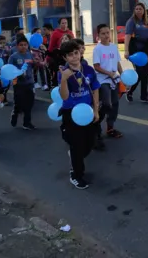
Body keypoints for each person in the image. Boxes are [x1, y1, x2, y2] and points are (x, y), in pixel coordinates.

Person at [58, 40, 100, 190]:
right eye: (70, 55)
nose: (75, 57)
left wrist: (95, 110)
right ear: (65, 58)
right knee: (76, 145)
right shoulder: (64, 73)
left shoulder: (88, 70)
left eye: (76, 53)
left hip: (87, 112)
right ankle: (76, 175)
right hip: (71, 113)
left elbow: (95, 89)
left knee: (89, 143)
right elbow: (64, 96)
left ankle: (75, 156)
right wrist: (64, 79)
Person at [92, 24, 124, 150]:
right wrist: (109, 73)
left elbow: (117, 63)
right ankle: (95, 125)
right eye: (103, 33)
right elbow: (96, 66)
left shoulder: (113, 47)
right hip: (103, 79)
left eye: (107, 33)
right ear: (98, 36)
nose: (106, 35)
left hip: (114, 79)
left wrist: (123, 77)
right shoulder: (97, 49)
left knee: (115, 103)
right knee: (106, 104)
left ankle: (110, 127)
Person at [124, 2, 148, 104]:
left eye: (140, 9)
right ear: (134, 11)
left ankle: (144, 96)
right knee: (139, 73)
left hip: (146, 50)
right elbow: (127, 36)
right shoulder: (131, 21)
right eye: (137, 9)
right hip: (136, 51)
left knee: (145, 74)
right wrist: (126, 50)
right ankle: (129, 92)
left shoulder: (146, 23)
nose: (138, 10)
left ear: (144, 11)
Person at [9, 35, 37, 130]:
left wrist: (37, 63)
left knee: (30, 103)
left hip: (29, 83)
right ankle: (15, 113)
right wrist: (17, 75)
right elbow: (9, 70)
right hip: (18, 84)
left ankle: (27, 122)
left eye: (25, 45)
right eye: (21, 45)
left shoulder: (29, 54)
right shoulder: (13, 57)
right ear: (17, 46)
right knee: (19, 103)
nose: (23, 46)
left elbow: (32, 66)